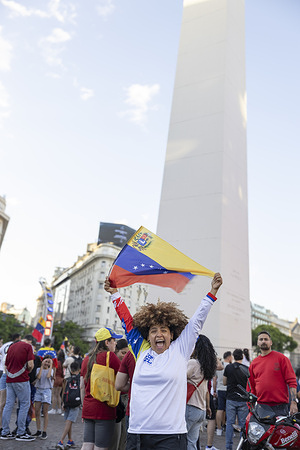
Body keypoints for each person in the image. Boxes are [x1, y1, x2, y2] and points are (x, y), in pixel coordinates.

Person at [105, 272, 223, 450]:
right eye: (153, 330)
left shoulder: (180, 349)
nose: (158, 334)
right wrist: (114, 293)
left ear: (172, 334)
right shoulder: (141, 349)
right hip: (138, 432)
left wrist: (212, 292)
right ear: (147, 335)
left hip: (171, 435)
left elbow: (197, 321)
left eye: (163, 330)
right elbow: (127, 321)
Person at [80, 327, 122, 450]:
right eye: (114, 340)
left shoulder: (87, 359)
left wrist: (84, 408)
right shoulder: (110, 356)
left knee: (87, 445)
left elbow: (82, 386)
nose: (115, 343)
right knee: (100, 447)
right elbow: (122, 377)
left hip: (88, 408)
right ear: (106, 342)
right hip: (105, 408)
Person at [248, 330, 298, 416]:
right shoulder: (254, 363)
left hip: (280, 407)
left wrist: (293, 402)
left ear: (271, 342)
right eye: (261, 339)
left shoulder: (281, 358)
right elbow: (251, 387)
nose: (263, 341)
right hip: (261, 406)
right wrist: (250, 406)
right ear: (258, 343)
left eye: (266, 339)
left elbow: (292, 381)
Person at [1, 334, 35, 441]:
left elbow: (5, 366)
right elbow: (30, 364)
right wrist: (28, 371)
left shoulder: (11, 346)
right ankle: (21, 432)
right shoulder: (28, 347)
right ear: (30, 341)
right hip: (21, 379)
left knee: (8, 404)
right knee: (25, 404)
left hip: (9, 379)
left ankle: (5, 431)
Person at [185, 335, 217, 450]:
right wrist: (208, 407)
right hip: (201, 410)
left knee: (181, 441)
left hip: (190, 407)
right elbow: (207, 391)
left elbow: (177, 379)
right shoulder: (206, 367)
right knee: (191, 443)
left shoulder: (193, 363)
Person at [223, 348, 249, 450]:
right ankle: (242, 446)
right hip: (243, 399)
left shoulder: (228, 367)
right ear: (242, 357)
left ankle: (228, 447)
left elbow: (225, 382)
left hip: (230, 398)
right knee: (243, 424)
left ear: (233, 356)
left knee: (230, 423)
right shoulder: (246, 369)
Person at [115, 349, 138, 450]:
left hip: (134, 409)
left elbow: (119, 385)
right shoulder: (166, 353)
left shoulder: (130, 354)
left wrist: (133, 386)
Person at [56, 360, 81, 449]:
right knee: (69, 422)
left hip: (67, 402)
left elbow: (63, 392)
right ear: (79, 370)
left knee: (68, 422)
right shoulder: (80, 379)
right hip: (76, 403)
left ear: (70, 370)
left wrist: (63, 403)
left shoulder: (67, 380)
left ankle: (70, 440)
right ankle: (61, 441)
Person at [0, 333, 21, 434]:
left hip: (3, 373)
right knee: (8, 403)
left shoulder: (4, 346)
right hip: (9, 374)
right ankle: (4, 428)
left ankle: (2, 427)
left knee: (4, 403)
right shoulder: (16, 347)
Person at [32, 353, 54, 440]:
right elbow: (39, 376)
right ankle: (38, 430)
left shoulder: (51, 370)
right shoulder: (38, 369)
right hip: (39, 390)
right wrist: (41, 366)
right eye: (46, 361)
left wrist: (51, 365)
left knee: (45, 412)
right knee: (37, 411)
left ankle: (44, 431)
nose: (47, 364)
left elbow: (48, 376)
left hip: (47, 390)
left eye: (48, 362)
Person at [215, 351, 232, 436]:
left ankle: (219, 429)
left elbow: (215, 379)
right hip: (228, 389)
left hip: (220, 389)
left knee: (220, 409)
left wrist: (214, 390)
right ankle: (229, 430)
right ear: (229, 357)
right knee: (229, 411)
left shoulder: (219, 365)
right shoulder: (229, 366)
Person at [49, 348, 65, 414]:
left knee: (54, 394)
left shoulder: (56, 363)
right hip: (61, 379)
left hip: (55, 379)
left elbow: (53, 371)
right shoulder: (64, 362)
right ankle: (59, 409)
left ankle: (53, 408)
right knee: (59, 395)